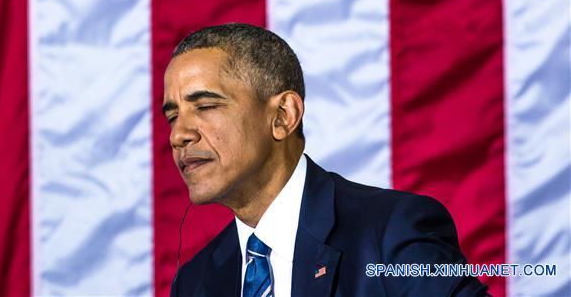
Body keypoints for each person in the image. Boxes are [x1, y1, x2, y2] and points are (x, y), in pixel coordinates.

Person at [165, 23, 489, 296]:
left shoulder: (391, 232)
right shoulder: (195, 282)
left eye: (205, 106)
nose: (179, 135)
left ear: (282, 116)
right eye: (172, 116)